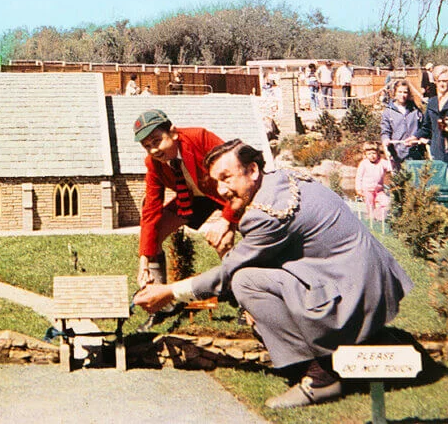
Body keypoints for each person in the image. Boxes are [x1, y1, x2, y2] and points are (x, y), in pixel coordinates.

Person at [133, 140, 413, 408]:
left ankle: (321, 376)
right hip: (371, 279)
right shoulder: (280, 180)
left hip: (355, 291)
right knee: (254, 275)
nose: (220, 189)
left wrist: (169, 292)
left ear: (253, 170)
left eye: (227, 177)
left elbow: (228, 275)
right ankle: (370, 340)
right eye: (216, 181)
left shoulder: (265, 214)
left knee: (245, 282)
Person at [132, 109, 239, 329]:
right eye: (147, 146)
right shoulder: (153, 164)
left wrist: (226, 220)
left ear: (173, 132)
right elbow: (151, 210)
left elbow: (235, 176)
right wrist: (144, 258)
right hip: (190, 200)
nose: (154, 150)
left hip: (226, 194)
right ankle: (160, 303)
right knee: (155, 234)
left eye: (156, 141)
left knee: (223, 243)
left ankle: (245, 299)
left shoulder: (200, 137)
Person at [408, 65, 448, 219]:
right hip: (438, 149)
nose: (442, 84)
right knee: (442, 186)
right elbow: (426, 127)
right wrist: (415, 137)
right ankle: (446, 220)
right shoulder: (432, 102)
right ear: (435, 81)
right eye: (439, 80)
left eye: (446, 81)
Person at [380, 79, 424, 171]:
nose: (403, 95)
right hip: (398, 154)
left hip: (415, 154)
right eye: (400, 92)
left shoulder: (415, 110)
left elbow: (423, 128)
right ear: (394, 93)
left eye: (405, 92)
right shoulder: (388, 112)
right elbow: (385, 131)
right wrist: (386, 140)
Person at [356, 142, 392, 222]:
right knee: (370, 205)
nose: (372, 156)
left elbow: (390, 167)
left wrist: (390, 158)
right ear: (365, 154)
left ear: (378, 153)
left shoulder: (381, 162)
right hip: (367, 190)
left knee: (386, 202)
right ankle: (371, 220)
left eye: (374, 153)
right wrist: (358, 189)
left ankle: (377, 215)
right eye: (369, 154)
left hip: (379, 190)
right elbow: (359, 177)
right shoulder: (364, 164)